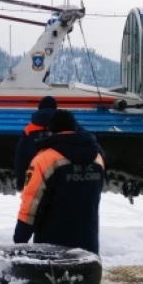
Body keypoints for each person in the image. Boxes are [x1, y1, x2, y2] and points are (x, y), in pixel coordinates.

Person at [13, 109, 105, 255]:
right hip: (88, 247)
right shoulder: (97, 158)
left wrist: (20, 237)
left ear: (51, 129)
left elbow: (32, 202)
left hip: (53, 248)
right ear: (74, 128)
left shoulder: (45, 159)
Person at [14, 96, 58, 191]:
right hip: (60, 174)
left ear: (40, 108)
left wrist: (20, 179)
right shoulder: (66, 126)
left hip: (36, 173)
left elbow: (21, 156)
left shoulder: (29, 129)